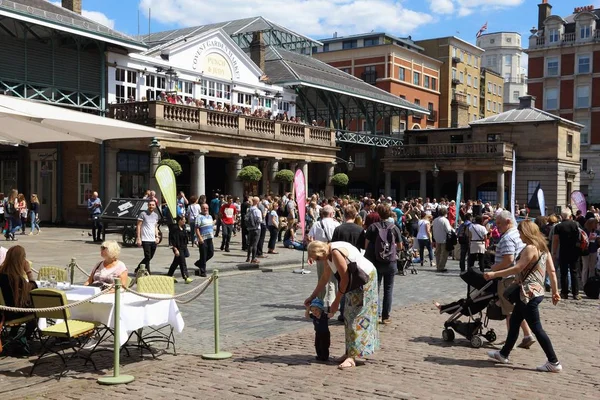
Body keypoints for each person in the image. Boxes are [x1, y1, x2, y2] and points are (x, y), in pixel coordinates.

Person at [485, 220, 562, 372]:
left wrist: (494, 274)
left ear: (526, 232)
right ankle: (503, 354)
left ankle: (553, 362)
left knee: (537, 328)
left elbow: (517, 268)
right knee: (514, 322)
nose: (519, 236)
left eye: (520, 233)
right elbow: (552, 272)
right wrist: (555, 291)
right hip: (536, 291)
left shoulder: (530, 248)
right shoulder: (543, 249)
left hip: (528, 293)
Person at [305, 241, 379, 370]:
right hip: (354, 282)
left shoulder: (335, 252)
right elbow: (324, 278)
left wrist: (336, 302)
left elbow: (345, 279)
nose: (318, 261)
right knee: (348, 315)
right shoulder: (329, 253)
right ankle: (350, 352)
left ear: (321, 252)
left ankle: (352, 357)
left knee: (356, 317)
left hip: (364, 280)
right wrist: (312, 296)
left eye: (317, 258)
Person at [491, 210, 535, 349]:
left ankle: (511, 340)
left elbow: (508, 260)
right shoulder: (517, 234)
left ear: (508, 222)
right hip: (516, 277)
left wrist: (494, 269)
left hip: (507, 277)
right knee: (516, 309)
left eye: (499, 223)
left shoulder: (507, 238)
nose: (496, 226)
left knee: (509, 311)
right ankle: (527, 335)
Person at [364, 203, 402, 324]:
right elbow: (400, 246)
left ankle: (377, 314)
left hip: (376, 261)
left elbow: (366, 245)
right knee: (388, 289)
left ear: (378, 214)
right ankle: (386, 316)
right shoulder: (394, 227)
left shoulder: (372, 227)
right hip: (390, 262)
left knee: (376, 289)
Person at [308, 206, 340, 309]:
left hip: (320, 254)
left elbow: (310, 238)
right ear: (331, 214)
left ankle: (319, 301)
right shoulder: (336, 224)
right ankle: (331, 303)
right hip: (332, 253)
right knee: (332, 280)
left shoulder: (317, 224)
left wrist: (311, 254)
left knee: (321, 278)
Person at [552, 209, 581, 300]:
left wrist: (554, 252)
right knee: (574, 272)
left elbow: (556, 240)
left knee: (563, 273)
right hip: (574, 251)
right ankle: (576, 293)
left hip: (563, 251)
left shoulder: (558, 226)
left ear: (562, 216)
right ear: (570, 216)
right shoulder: (576, 225)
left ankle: (564, 293)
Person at [135, 199, 161, 274]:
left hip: (153, 239)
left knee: (150, 257)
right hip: (145, 239)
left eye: (153, 205)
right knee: (147, 256)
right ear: (147, 205)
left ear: (155, 206)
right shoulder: (143, 214)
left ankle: (138, 268)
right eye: (150, 205)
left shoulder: (156, 215)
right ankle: (147, 271)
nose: (151, 206)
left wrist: (157, 236)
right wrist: (138, 238)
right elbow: (138, 226)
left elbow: (155, 227)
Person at [167, 216, 192, 284]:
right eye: (183, 220)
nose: (185, 222)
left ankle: (169, 276)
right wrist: (175, 249)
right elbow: (173, 240)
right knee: (182, 263)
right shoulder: (175, 229)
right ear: (179, 221)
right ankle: (186, 277)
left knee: (175, 263)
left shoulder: (183, 228)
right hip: (178, 248)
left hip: (183, 247)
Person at [306, 297, 330, 362]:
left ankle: (325, 357)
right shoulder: (313, 316)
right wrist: (308, 309)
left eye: (316, 310)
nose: (314, 312)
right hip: (318, 332)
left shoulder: (324, 316)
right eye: (313, 310)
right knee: (317, 345)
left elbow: (330, 315)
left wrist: (332, 310)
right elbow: (307, 316)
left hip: (325, 333)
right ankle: (319, 356)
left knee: (324, 345)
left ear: (320, 310)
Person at [195, 203, 214, 278]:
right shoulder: (199, 217)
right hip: (203, 238)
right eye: (204, 208)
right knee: (203, 255)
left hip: (209, 237)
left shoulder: (210, 216)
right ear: (201, 209)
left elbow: (211, 226)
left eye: (207, 208)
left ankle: (199, 263)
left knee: (211, 253)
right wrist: (199, 238)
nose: (205, 209)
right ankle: (203, 271)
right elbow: (196, 228)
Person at [432, 207, 453, 272]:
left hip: (437, 238)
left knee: (438, 253)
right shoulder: (445, 220)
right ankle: (441, 267)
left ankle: (438, 265)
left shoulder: (435, 220)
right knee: (444, 254)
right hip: (444, 239)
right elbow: (448, 230)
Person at [582, 218, 600, 287]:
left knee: (592, 268)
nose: (596, 225)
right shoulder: (585, 231)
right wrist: (589, 239)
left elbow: (598, 242)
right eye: (595, 223)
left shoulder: (597, 231)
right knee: (585, 268)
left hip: (594, 250)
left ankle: (591, 283)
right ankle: (584, 283)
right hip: (586, 250)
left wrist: (598, 240)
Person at [245, 197, 262, 264]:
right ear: (257, 202)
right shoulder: (257, 211)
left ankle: (248, 258)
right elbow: (259, 220)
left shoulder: (249, 209)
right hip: (256, 229)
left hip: (250, 228)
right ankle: (253, 258)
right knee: (255, 244)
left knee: (250, 244)